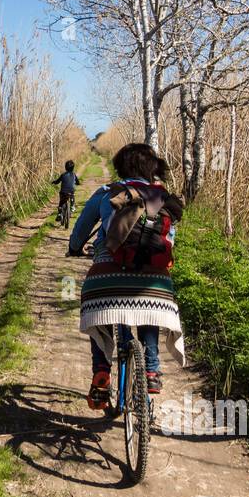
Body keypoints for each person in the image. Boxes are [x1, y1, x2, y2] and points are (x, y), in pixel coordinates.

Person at [67, 142, 185, 409]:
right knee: (148, 306)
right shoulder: (162, 197)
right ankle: (152, 370)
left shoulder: (108, 192)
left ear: (120, 167)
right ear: (153, 168)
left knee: (100, 311)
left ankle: (101, 374)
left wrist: (75, 248)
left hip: (108, 278)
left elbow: (81, 229)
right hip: (155, 283)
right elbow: (170, 239)